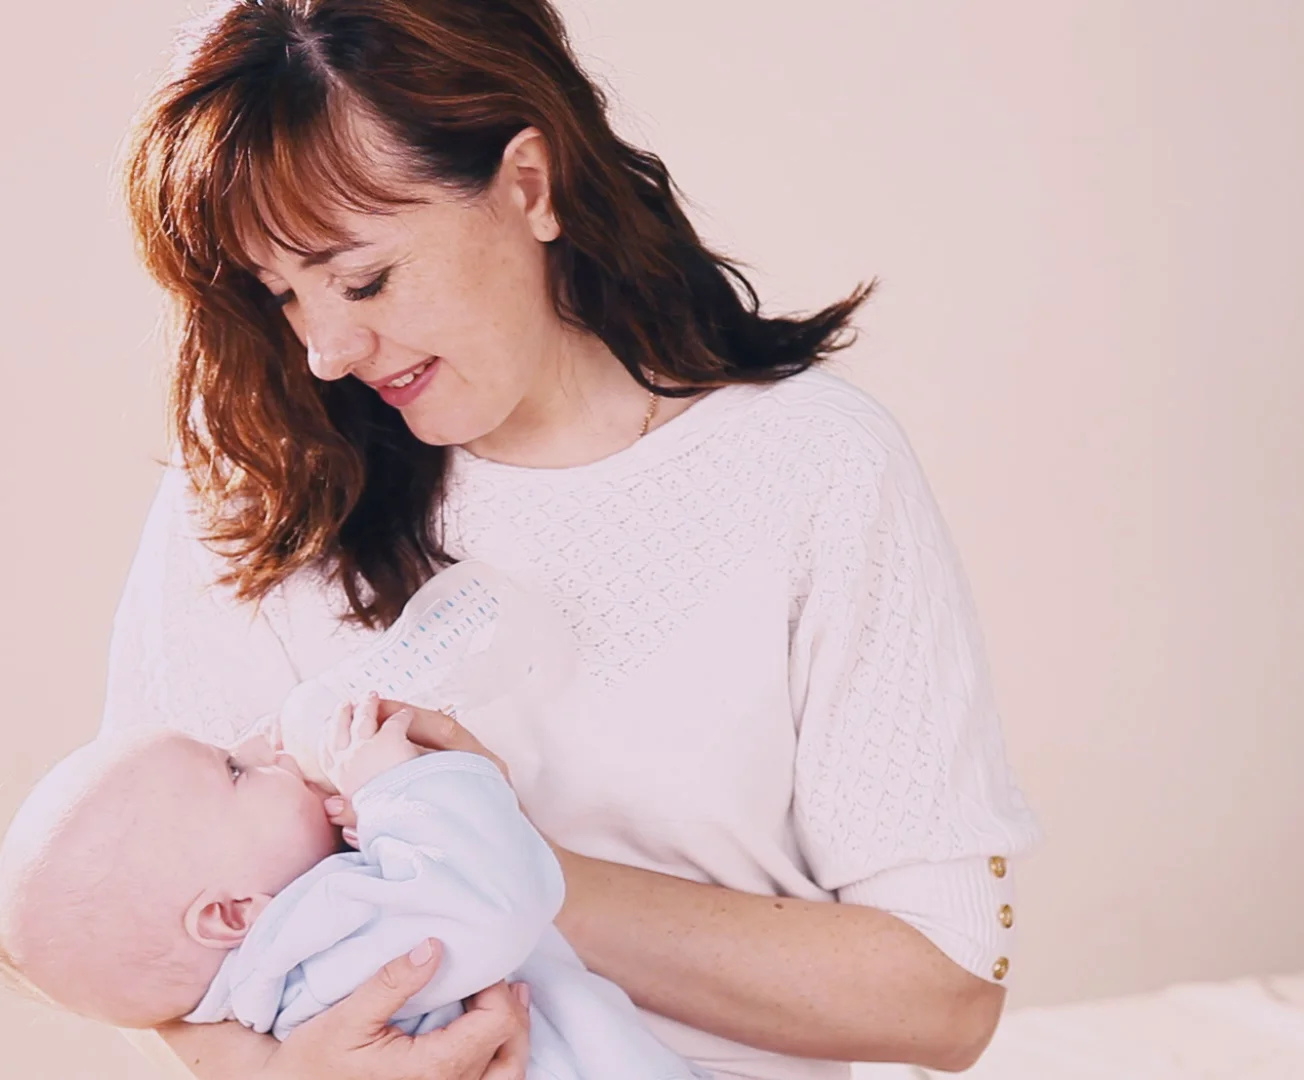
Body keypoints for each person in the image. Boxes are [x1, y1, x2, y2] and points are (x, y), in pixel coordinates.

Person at [100, 0, 1043, 1077]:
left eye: (365, 277)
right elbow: (142, 932)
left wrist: (502, 866)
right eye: (282, 298)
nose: (325, 350)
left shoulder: (810, 469)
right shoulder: (258, 484)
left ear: (530, 184)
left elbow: (942, 995)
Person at [0, 694, 704, 1080]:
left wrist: (381, 841)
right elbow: (493, 901)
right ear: (234, 912)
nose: (262, 743)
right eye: (235, 771)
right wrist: (402, 786)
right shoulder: (324, 949)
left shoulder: (293, 968)